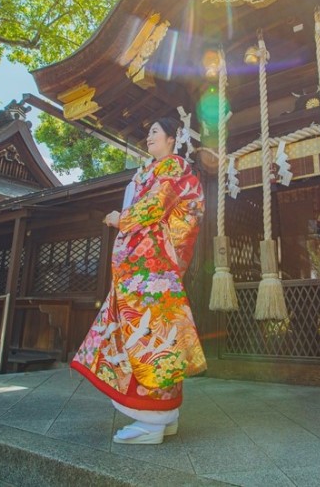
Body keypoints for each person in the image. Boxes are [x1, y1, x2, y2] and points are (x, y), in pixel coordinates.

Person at [71, 117, 206, 444]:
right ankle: (166, 415)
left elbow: (154, 207)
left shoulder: (173, 167)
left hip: (152, 272)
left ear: (172, 139)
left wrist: (122, 218)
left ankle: (150, 421)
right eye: (148, 132)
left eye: (155, 132)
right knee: (160, 338)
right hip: (150, 271)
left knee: (148, 339)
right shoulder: (154, 169)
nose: (149, 137)